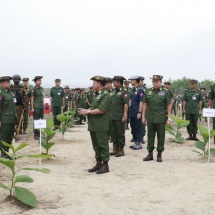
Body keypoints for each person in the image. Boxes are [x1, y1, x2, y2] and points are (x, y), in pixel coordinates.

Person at [78, 76, 110, 174]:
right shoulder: (97, 94)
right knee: (96, 145)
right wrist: (86, 112)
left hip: (101, 125)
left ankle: (105, 165)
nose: (93, 84)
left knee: (103, 145)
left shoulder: (105, 95)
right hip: (94, 124)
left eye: (94, 82)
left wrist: (87, 111)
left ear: (99, 83)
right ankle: (98, 163)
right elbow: (94, 108)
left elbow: (101, 110)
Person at [142, 75, 171, 162]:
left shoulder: (165, 92)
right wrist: (143, 116)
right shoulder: (148, 91)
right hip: (150, 117)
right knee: (150, 136)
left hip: (161, 117)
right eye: (154, 82)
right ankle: (150, 154)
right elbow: (145, 104)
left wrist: (169, 118)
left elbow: (168, 105)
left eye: (157, 82)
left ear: (160, 82)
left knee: (161, 136)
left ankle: (159, 154)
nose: (155, 83)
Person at [109, 76, 129, 157]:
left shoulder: (125, 92)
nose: (113, 83)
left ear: (119, 83)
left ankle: (121, 149)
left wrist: (125, 115)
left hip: (120, 116)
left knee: (120, 133)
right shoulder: (113, 91)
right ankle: (115, 149)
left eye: (115, 81)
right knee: (113, 133)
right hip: (112, 115)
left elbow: (126, 104)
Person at [0, 76, 17, 158]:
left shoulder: (10, 92)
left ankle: (7, 152)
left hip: (12, 118)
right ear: (2, 83)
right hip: (5, 119)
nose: (9, 83)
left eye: (9, 82)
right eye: (7, 82)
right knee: (4, 137)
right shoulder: (1, 93)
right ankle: (3, 153)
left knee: (10, 136)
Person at [129, 76, 144, 150]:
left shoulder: (140, 90)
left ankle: (139, 142)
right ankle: (135, 141)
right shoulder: (132, 90)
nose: (131, 81)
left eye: (132, 80)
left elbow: (141, 102)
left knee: (138, 127)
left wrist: (139, 112)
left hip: (137, 112)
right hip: (132, 112)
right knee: (133, 127)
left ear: (136, 81)